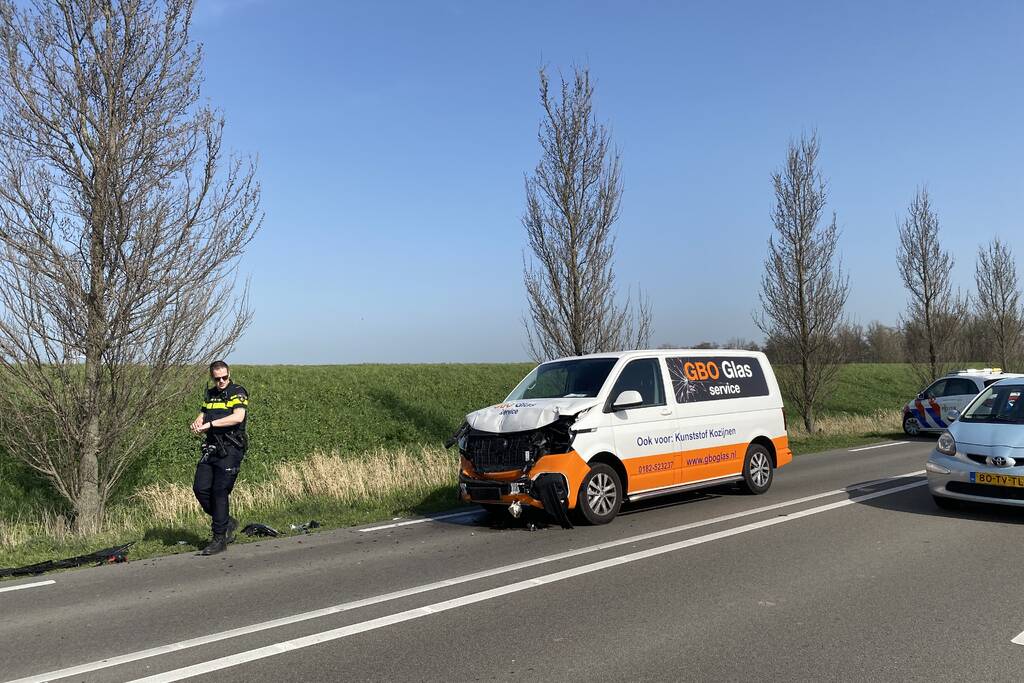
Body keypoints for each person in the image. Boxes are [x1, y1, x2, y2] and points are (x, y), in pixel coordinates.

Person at [190, 360, 250, 555]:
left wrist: (210, 425)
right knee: (200, 488)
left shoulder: (237, 391)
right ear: (212, 377)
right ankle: (226, 522)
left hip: (231, 448)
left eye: (224, 377)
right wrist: (198, 422)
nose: (221, 381)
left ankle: (219, 538)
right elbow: (203, 413)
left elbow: (238, 417)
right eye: (217, 379)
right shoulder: (210, 394)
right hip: (212, 447)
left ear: (229, 373)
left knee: (219, 491)